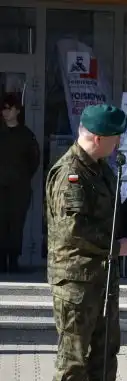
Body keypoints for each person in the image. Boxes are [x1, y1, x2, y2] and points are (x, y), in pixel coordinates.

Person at [47, 104, 127, 381]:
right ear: (98, 137)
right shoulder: (70, 173)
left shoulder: (102, 170)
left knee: (106, 350)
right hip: (76, 279)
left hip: (103, 277)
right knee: (75, 350)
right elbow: (73, 231)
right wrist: (113, 246)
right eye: (116, 137)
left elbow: (109, 218)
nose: (119, 143)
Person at [0, 93, 40, 272]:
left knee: (16, 224)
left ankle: (13, 260)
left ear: (17, 110)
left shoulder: (26, 135)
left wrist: (21, 177)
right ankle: (1, 261)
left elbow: (34, 161)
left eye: (9, 108)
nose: (5, 112)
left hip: (19, 187)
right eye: (3, 109)